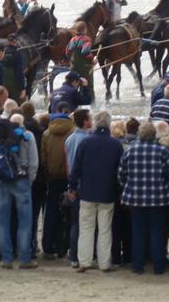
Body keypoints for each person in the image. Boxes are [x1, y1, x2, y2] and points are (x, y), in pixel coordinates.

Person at [118, 121, 169, 275]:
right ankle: (158, 266)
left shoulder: (130, 150)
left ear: (139, 134)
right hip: (158, 198)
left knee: (138, 232)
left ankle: (138, 265)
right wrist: (165, 189)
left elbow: (121, 174)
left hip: (135, 198)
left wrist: (129, 187)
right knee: (158, 232)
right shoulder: (162, 151)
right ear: (154, 134)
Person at [68, 110, 122, 272]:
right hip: (107, 192)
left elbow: (76, 168)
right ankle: (104, 263)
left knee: (86, 228)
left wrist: (72, 187)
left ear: (96, 124)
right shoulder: (116, 144)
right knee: (105, 229)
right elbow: (120, 170)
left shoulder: (86, 142)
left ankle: (84, 261)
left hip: (87, 191)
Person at [0, 115, 39, 269]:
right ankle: (24, 258)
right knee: (25, 221)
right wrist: (30, 179)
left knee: (3, 221)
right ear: (22, 123)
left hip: (3, 180)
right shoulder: (27, 136)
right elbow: (34, 161)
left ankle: (6, 259)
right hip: (22, 180)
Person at [41, 103, 74, 259]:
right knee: (67, 214)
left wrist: (47, 174)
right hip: (68, 178)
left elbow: (43, 158)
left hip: (53, 177)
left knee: (51, 212)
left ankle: (47, 246)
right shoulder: (73, 132)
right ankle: (62, 247)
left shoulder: (47, 133)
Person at [63, 109, 92, 268]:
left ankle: (73, 255)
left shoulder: (70, 139)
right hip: (85, 184)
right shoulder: (88, 139)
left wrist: (70, 184)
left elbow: (68, 164)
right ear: (85, 121)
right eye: (90, 118)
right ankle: (84, 255)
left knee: (75, 222)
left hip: (73, 183)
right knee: (86, 223)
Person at [66, 21, 95, 102]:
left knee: (73, 86)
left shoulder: (72, 40)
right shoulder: (86, 40)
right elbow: (85, 51)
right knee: (88, 86)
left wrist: (71, 61)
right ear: (85, 30)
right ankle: (91, 103)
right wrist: (92, 60)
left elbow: (67, 52)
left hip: (73, 68)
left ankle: (72, 102)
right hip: (85, 68)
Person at [1, 34, 26, 104]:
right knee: (16, 103)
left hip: (3, 82)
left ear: (8, 41)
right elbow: (19, 72)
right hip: (14, 83)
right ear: (16, 41)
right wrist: (22, 88)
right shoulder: (17, 53)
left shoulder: (2, 52)